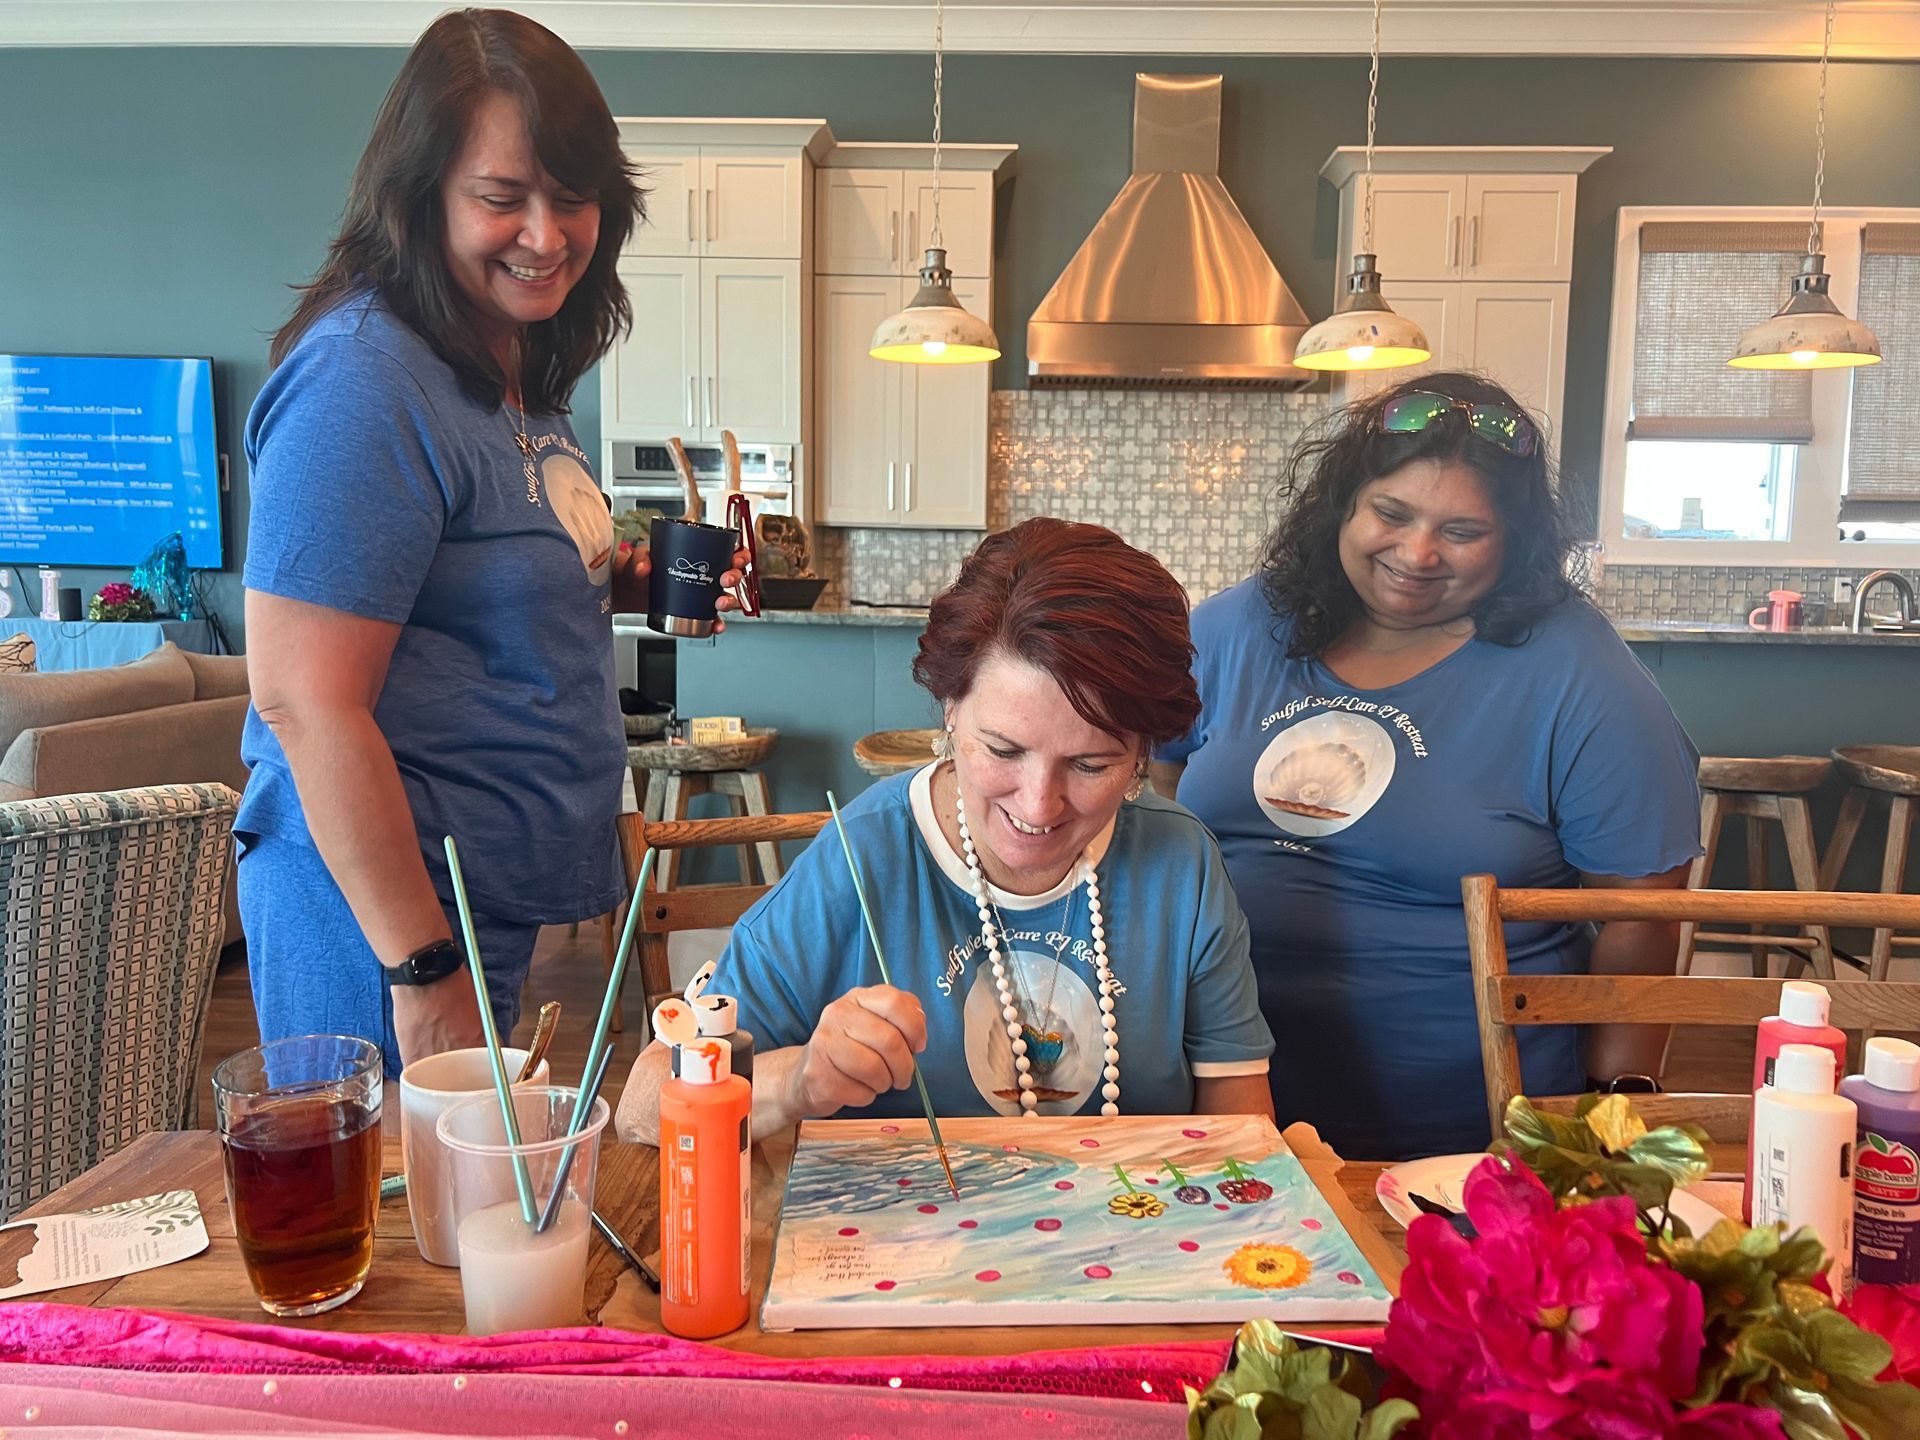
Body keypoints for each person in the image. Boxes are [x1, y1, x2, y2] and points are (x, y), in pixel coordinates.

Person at [240, 9, 740, 1076]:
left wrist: (632, 576)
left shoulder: (512, 373)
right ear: (419, 199)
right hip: (388, 920)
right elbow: (303, 699)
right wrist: (424, 970)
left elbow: (480, 582)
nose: (547, 234)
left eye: (571, 197)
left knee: (467, 1225)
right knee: (394, 1232)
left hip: (482, 906)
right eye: (501, 198)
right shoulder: (365, 381)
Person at [1152, 373, 1701, 1160]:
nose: (1416, 553)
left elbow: (1640, 911)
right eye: (1391, 512)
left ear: (1515, 541)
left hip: (1464, 1131)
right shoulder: (1235, 627)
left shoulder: (1579, 674)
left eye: (1463, 530)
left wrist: (1615, 1106)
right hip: (1218, 1102)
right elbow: (1168, 802)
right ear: (1343, 503)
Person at [619, 519, 1275, 1142]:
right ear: (951, 711)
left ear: (1140, 754)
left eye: (1091, 764)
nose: (1040, 805)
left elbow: (1242, 1130)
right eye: (1003, 750)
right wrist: (797, 1081)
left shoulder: (1179, 861)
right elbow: (644, 1103)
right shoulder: (864, 856)